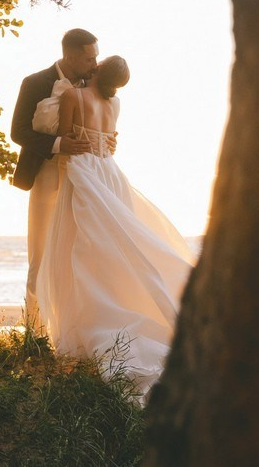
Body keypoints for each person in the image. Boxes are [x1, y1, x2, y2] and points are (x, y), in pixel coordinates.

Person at [36, 56, 195, 400]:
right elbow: (107, 138)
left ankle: (92, 322)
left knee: (83, 247)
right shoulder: (115, 103)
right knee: (118, 246)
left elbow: (66, 138)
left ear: (97, 68)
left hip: (83, 172)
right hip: (109, 171)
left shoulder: (72, 97)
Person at [11, 29, 115, 323]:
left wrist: (108, 141)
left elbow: (102, 126)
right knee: (41, 253)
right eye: (89, 58)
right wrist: (59, 144)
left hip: (83, 179)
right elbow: (18, 131)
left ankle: (73, 326)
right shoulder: (35, 83)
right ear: (69, 56)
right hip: (45, 172)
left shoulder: (94, 85)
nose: (95, 64)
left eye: (96, 57)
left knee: (81, 252)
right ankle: (34, 331)